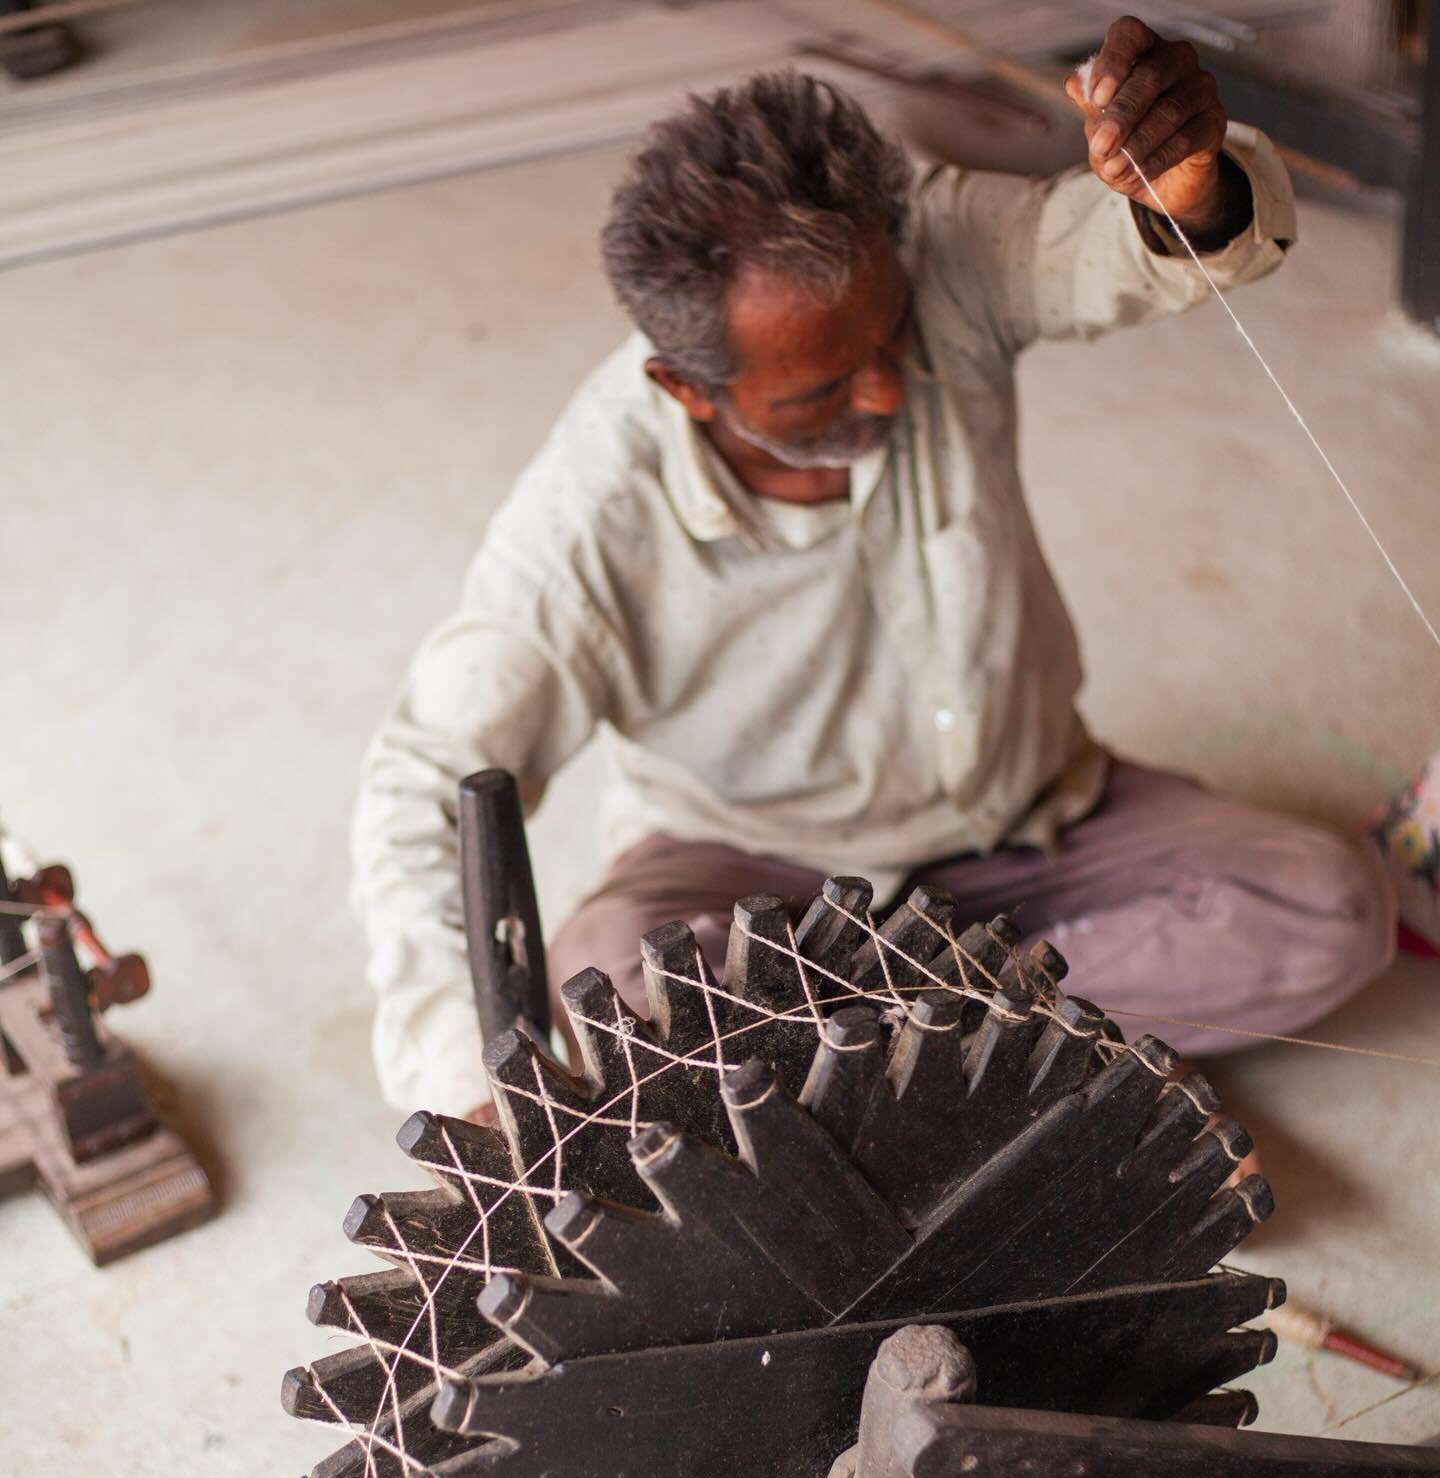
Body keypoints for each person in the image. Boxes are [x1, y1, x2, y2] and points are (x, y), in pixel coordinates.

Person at [353, 14, 1394, 1119]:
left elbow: (1115, 245)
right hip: (754, 875)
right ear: (685, 390)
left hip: (1031, 824)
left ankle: (870, 1077)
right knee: (610, 993)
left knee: (1330, 907)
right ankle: (1018, 1060)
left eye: (893, 338)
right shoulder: (586, 521)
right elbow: (426, 784)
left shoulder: (929, 238)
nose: (887, 392)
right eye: (820, 391)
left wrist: (1188, 190)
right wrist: (472, 1084)